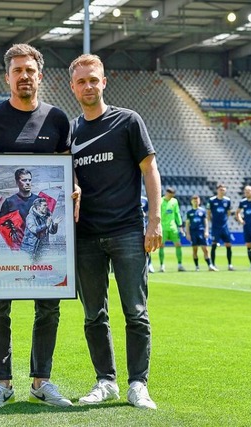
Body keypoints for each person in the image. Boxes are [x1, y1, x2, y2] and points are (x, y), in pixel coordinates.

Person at [0, 43, 73, 409]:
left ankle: (42, 381)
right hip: (7, 251)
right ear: (7, 76)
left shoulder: (57, 119)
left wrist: (74, 188)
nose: (24, 76)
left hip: (44, 251)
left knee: (49, 307)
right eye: (17, 70)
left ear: (40, 75)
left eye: (30, 70)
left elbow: (68, 167)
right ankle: (2, 383)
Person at [68, 53, 161, 410]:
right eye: (82, 81)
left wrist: (154, 220)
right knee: (94, 314)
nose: (89, 86)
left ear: (104, 82)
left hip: (126, 231)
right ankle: (105, 381)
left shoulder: (128, 121)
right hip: (86, 235)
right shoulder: (72, 131)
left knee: (135, 311)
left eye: (94, 79)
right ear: (73, 86)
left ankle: (138, 384)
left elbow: (150, 170)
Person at [20, 197, 61, 262]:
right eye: (44, 205)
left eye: (47, 205)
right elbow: (34, 229)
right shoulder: (30, 217)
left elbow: (52, 231)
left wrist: (55, 224)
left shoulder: (47, 216)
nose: (47, 207)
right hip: (30, 248)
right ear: (38, 207)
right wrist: (46, 225)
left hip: (42, 248)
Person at [185, 195, 217, 272]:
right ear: (191, 201)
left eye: (197, 200)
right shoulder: (189, 213)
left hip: (201, 232)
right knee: (195, 250)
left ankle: (210, 265)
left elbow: (206, 222)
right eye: (194, 200)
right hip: (193, 232)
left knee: (205, 249)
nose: (196, 202)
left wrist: (206, 231)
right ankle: (197, 266)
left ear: (199, 201)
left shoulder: (202, 211)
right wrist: (188, 234)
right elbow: (187, 224)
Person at [206, 184, 234, 271]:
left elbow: (228, 212)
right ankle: (213, 265)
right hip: (215, 227)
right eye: (221, 189)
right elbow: (209, 213)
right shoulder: (211, 200)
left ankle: (230, 264)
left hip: (224, 226)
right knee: (214, 244)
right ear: (217, 190)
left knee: (228, 245)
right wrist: (213, 222)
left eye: (223, 190)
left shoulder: (227, 200)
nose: (222, 191)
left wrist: (224, 220)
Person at [159, 187, 185, 272]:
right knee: (161, 246)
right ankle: (162, 266)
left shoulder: (174, 201)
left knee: (178, 244)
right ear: (166, 193)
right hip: (163, 227)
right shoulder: (160, 201)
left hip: (173, 227)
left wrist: (180, 225)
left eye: (172, 195)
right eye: (170, 195)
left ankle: (180, 265)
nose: (171, 197)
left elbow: (177, 213)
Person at [141, 195, 155, 273]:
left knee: (146, 246)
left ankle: (149, 264)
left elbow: (149, 212)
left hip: (143, 225)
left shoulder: (145, 200)